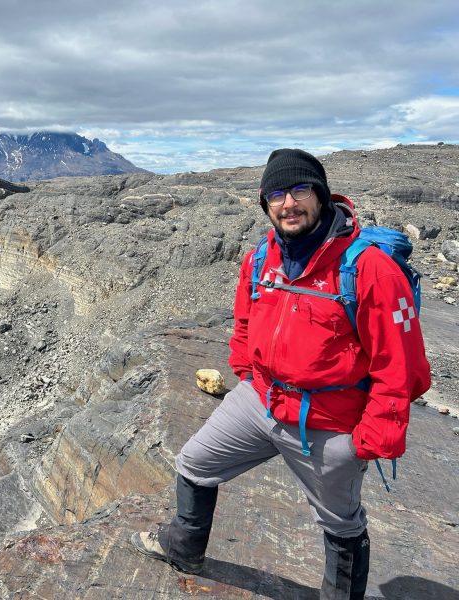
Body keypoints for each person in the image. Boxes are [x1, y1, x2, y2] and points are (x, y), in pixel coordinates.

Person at [130, 149, 431, 599]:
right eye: (276, 194)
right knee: (194, 464)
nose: (288, 203)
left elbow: (401, 365)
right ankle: (182, 547)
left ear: (321, 195)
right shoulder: (262, 258)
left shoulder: (367, 267)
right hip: (262, 400)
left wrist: (371, 439)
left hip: (330, 420)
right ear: (265, 203)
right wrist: (246, 370)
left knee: (341, 524)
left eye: (299, 190)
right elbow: (246, 317)